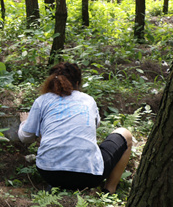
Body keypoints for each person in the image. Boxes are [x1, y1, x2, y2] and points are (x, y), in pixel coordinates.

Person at [18, 62, 133, 194]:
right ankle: (109, 190)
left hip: (49, 173)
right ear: (77, 83)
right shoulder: (88, 100)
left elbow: (25, 137)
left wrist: (24, 122)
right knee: (125, 134)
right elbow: (94, 126)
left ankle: (57, 186)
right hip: (89, 177)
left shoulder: (42, 100)